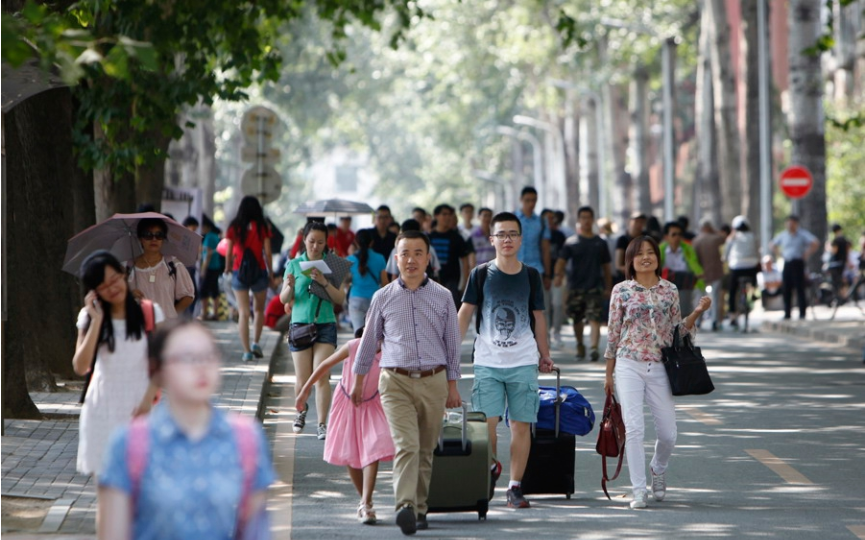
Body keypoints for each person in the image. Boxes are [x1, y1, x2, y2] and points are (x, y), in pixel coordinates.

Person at [97, 319, 276, 540]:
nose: (201, 367)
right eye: (187, 359)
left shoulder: (247, 438)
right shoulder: (128, 444)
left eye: (209, 356)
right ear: (157, 369)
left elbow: (256, 532)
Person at [352, 230, 462, 535]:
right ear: (395, 258)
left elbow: (453, 344)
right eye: (405, 253)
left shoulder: (443, 296)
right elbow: (368, 341)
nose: (411, 259)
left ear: (428, 258)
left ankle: (420, 508)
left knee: (425, 450)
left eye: (417, 253)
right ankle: (405, 506)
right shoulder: (382, 297)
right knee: (407, 445)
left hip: (434, 380)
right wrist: (358, 381)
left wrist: (453, 386)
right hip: (394, 382)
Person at [604, 235, 711, 510]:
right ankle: (639, 491)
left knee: (668, 434)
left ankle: (658, 467)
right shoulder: (621, 291)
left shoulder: (670, 290)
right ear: (631, 260)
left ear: (657, 258)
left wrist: (697, 311)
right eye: (639, 254)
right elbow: (613, 334)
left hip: (661, 365)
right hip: (628, 364)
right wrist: (608, 374)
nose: (645, 257)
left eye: (650, 252)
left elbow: (678, 330)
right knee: (635, 429)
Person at [457, 212, 554, 510]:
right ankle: (492, 467)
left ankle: (515, 487)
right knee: (486, 426)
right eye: (502, 234)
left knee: (521, 427)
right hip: (488, 361)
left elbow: (539, 318)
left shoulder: (531, 275)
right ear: (492, 239)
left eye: (513, 234)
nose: (507, 239)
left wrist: (544, 354)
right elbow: (465, 314)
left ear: (521, 239)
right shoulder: (481, 273)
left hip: (523, 361)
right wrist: (449, 353)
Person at [73, 251, 163, 478]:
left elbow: (161, 364)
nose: (112, 288)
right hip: (101, 408)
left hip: (140, 406)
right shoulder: (89, 316)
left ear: (123, 275)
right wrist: (96, 321)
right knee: (107, 494)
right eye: (103, 286)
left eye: (114, 279)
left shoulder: (149, 312)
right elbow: (80, 365)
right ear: (93, 291)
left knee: (139, 491)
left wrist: (145, 404)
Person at [295, 327, 395, 525]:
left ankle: (366, 503)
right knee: (350, 452)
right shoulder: (353, 346)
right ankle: (364, 500)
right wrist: (305, 391)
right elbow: (324, 365)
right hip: (347, 403)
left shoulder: (389, 352)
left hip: (373, 404)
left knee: (373, 448)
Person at [281, 221, 348, 441]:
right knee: (301, 378)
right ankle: (300, 411)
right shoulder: (293, 264)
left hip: (325, 324)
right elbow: (284, 299)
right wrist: (289, 286)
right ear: (304, 240)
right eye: (311, 241)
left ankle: (322, 424)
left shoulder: (333, 264)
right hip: (300, 324)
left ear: (326, 242)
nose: (315, 246)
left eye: (320, 242)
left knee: (321, 375)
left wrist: (324, 282)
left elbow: (340, 299)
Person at [554, 206, 612, 361]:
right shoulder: (571, 242)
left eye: (589, 217)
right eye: (583, 217)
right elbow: (561, 262)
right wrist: (558, 275)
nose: (586, 220)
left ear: (593, 220)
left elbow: (606, 267)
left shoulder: (600, 243)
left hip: (594, 287)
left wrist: (608, 286)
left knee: (595, 318)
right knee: (577, 319)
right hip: (575, 287)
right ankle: (580, 344)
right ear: (579, 220)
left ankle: (593, 347)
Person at [224, 196, 274, 362]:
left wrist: (228, 267)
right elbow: (267, 252)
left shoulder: (234, 227)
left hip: (240, 271)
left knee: (244, 313)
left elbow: (229, 251)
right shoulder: (263, 227)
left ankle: (246, 352)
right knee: (259, 310)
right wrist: (271, 273)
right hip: (259, 271)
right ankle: (255, 343)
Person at [127, 218, 195, 319]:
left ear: (163, 238)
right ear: (140, 238)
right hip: (138, 326)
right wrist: (129, 296)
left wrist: (171, 315)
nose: (154, 239)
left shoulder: (173, 264)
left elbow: (188, 296)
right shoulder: (128, 267)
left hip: (165, 328)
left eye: (159, 235)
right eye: (148, 235)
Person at [770, 215, 820, 320]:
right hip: (787, 263)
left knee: (800, 288)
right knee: (786, 289)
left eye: (792, 223)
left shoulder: (802, 234)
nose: (790, 225)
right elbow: (772, 244)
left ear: (796, 224)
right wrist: (780, 254)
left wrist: (807, 253)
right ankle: (787, 313)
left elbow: (815, 242)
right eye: (788, 222)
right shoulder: (783, 235)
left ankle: (802, 313)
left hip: (798, 263)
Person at [428, 204, 473, 307]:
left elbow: (465, 261)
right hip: (431, 281)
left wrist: (464, 284)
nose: (447, 217)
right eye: (444, 214)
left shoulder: (457, 237)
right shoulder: (428, 238)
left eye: (449, 214)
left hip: (452, 281)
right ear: (436, 216)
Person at [346, 229, 388, 332]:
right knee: (374, 335)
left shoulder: (349, 259)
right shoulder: (380, 258)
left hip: (356, 299)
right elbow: (385, 283)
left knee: (359, 334)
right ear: (372, 242)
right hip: (375, 300)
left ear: (356, 242)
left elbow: (345, 281)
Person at [660, 221, 704, 316]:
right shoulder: (660, 249)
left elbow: (694, 263)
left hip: (685, 282)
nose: (677, 237)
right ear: (666, 237)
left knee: (685, 311)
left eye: (679, 234)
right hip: (666, 284)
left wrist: (699, 274)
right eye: (673, 234)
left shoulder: (688, 248)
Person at [724, 216, 760, 326]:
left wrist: (725, 259)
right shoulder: (753, 236)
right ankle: (754, 291)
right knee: (754, 277)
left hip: (736, 266)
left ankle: (732, 314)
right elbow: (757, 251)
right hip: (751, 266)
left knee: (732, 290)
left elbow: (726, 253)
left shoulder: (732, 237)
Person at [515, 187, 552, 293]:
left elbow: (546, 249)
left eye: (534, 200)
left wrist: (547, 275)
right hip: (513, 270)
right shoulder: (512, 219)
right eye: (527, 200)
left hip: (536, 269)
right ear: (521, 200)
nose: (531, 204)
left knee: (536, 307)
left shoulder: (541, 221)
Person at [692, 218, 726, 331]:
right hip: (716, 272)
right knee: (715, 298)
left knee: (699, 298)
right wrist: (714, 231)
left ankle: (698, 321)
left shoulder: (696, 240)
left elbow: (694, 259)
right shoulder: (717, 238)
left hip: (701, 274)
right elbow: (724, 237)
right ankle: (715, 321)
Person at [544, 209, 567, 348]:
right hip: (542, 276)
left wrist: (560, 274)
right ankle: (545, 336)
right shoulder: (538, 235)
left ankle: (556, 332)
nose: (550, 221)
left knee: (558, 304)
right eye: (547, 218)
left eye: (552, 218)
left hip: (557, 276)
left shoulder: (560, 235)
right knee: (544, 308)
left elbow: (564, 257)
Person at [199, 215, 223, 321]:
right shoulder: (215, 236)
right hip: (216, 267)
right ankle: (215, 313)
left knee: (203, 290)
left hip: (209, 267)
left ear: (206, 226)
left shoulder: (208, 237)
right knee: (214, 290)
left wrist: (203, 269)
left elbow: (208, 255)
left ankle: (204, 313)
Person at [615, 213, 648, 282]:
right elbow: (618, 265)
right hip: (626, 279)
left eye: (641, 222)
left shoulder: (646, 238)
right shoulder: (623, 239)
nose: (639, 224)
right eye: (636, 221)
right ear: (629, 222)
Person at [181, 216, 201, 319]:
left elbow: (196, 257)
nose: (194, 230)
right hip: (186, 268)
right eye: (193, 227)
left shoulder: (191, 238)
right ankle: (186, 317)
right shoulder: (184, 237)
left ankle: (187, 316)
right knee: (191, 294)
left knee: (192, 294)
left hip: (190, 268)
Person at [827, 224, 850, 301]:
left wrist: (829, 249)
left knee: (836, 281)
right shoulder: (844, 239)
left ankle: (839, 296)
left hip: (836, 263)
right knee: (842, 279)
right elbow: (847, 251)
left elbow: (834, 251)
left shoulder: (836, 240)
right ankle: (844, 295)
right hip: (843, 262)